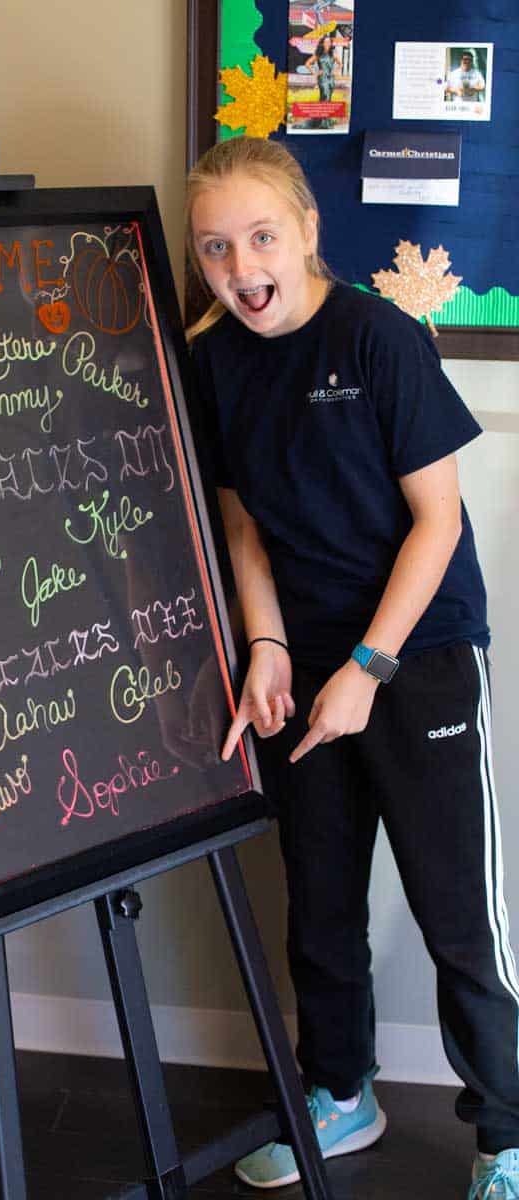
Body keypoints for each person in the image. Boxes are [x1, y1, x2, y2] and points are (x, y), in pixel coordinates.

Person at [186, 135, 519, 1199]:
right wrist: (268, 648)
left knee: (453, 914)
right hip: (306, 663)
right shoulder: (213, 359)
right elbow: (241, 528)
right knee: (318, 904)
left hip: (412, 657)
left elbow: (435, 521)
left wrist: (366, 666)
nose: (242, 267)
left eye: (260, 236)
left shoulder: (378, 338)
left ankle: (506, 1134)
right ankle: (340, 1093)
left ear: (307, 231)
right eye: (214, 249)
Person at [303, 35, 339, 128]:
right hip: (322, 79)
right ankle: (323, 123)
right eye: (325, 42)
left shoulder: (333, 55)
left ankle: (322, 121)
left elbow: (341, 64)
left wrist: (335, 71)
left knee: (328, 99)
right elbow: (307, 64)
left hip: (331, 79)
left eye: (329, 42)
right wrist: (315, 73)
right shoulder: (318, 55)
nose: (327, 43)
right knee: (325, 96)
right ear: (322, 44)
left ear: (331, 44)